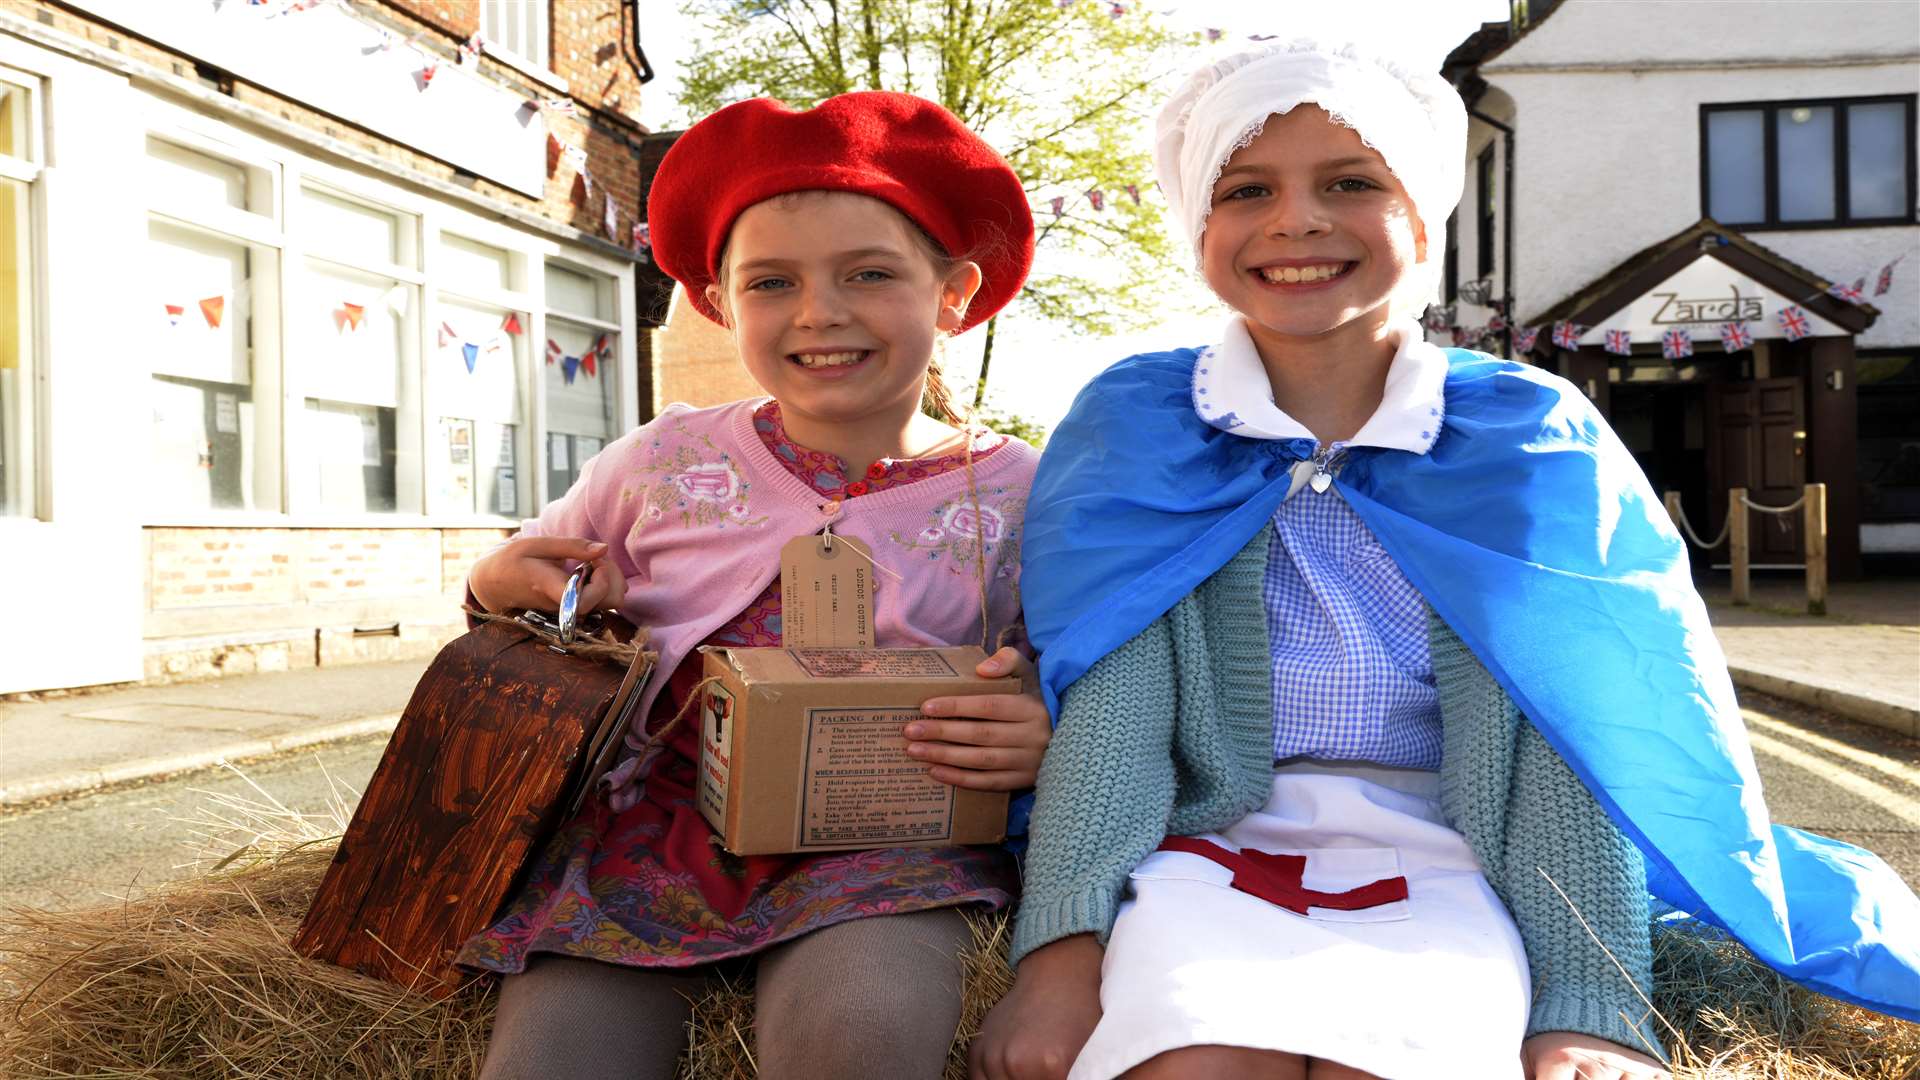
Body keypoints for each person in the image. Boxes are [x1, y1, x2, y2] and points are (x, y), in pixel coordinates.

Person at [972, 38, 1920, 1080]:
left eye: (1351, 183)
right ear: (1198, 225)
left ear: (1423, 219)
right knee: (1192, 1063)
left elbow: (1578, 726)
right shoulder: (1143, 423)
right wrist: (1056, 958)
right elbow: (1114, 709)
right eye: (1247, 190)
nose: (1297, 220)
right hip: (1208, 847)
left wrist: (1593, 1000)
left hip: (1454, 853)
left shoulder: (1525, 435)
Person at [459, 91, 1048, 1080]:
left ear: (954, 291)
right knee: (552, 1061)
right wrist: (492, 579)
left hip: (888, 846)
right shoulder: (659, 461)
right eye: (772, 282)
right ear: (721, 301)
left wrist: (1038, 728)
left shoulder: (1023, 496)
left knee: (857, 1036)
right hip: (653, 833)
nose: (820, 312)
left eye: (869, 273)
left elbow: (1085, 681)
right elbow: (521, 582)